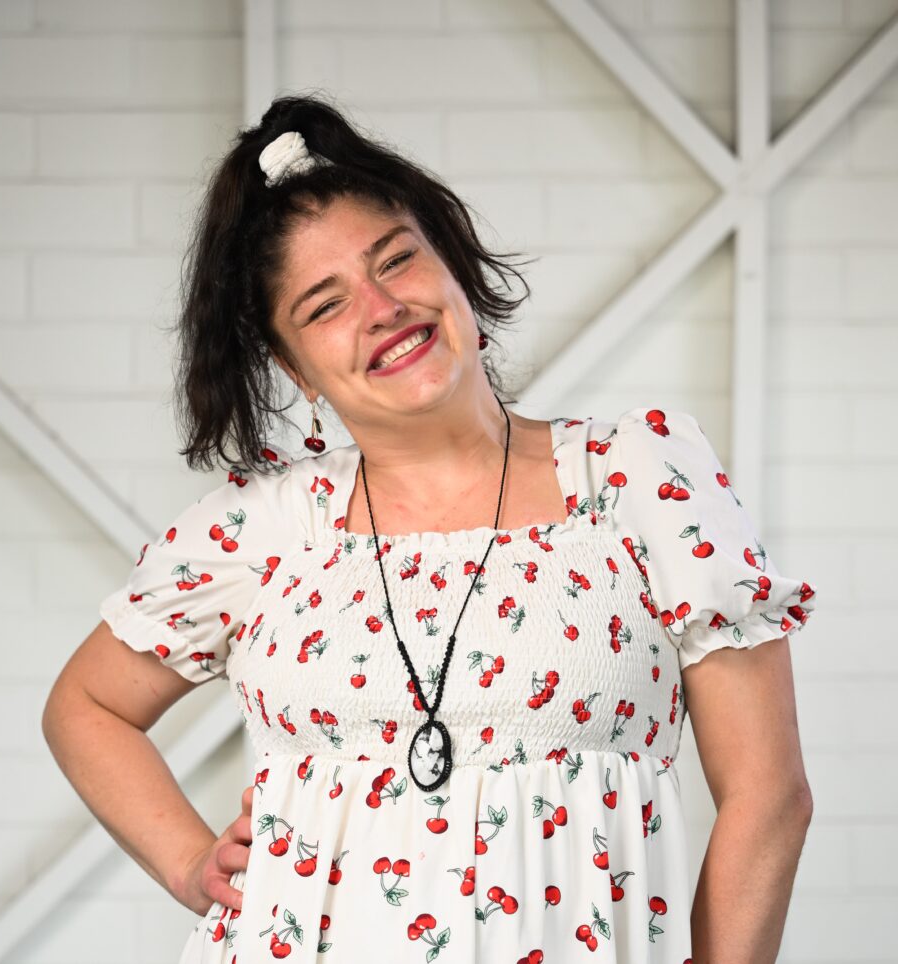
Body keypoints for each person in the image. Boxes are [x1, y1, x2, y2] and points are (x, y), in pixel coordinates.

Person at [42, 93, 818, 963]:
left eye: (397, 260)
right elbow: (88, 705)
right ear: (296, 369)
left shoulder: (636, 479)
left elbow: (769, 796)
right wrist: (191, 864)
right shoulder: (267, 531)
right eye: (324, 306)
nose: (381, 308)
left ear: (450, 266)